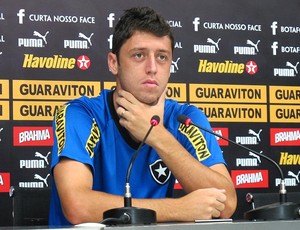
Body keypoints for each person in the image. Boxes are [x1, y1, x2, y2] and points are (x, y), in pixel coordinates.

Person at [49, 6, 237, 226]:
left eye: (162, 57)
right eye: (139, 55)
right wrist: (178, 208)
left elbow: (226, 204)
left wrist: (157, 135)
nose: (152, 68)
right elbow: (77, 206)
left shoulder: (185, 118)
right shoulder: (80, 114)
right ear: (113, 63)